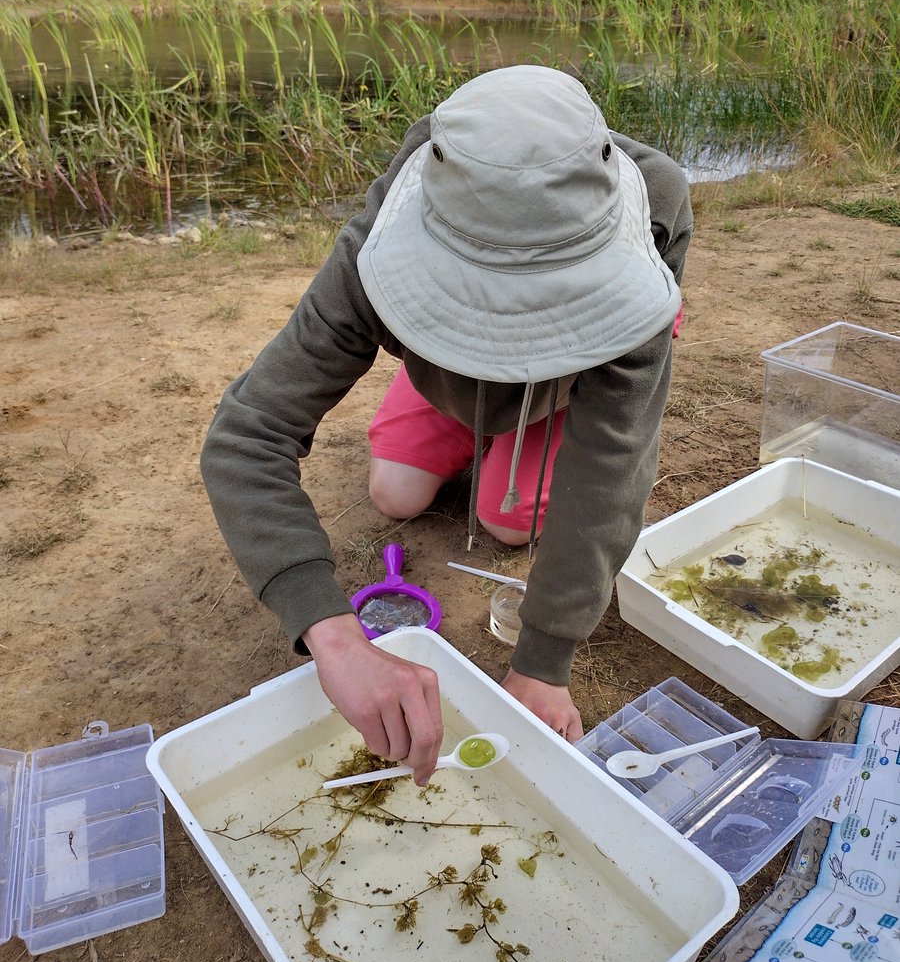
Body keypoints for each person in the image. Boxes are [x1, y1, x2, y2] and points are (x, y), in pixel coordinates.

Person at [200, 64, 692, 785]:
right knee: (395, 494)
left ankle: (512, 445)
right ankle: (461, 412)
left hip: (558, 399)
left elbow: (614, 460)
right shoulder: (384, 228)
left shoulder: (657, 214)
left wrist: (544, 663)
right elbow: (247, 434)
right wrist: (334, 639)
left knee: (508, 520)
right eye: (480, 307)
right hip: (446, 385)